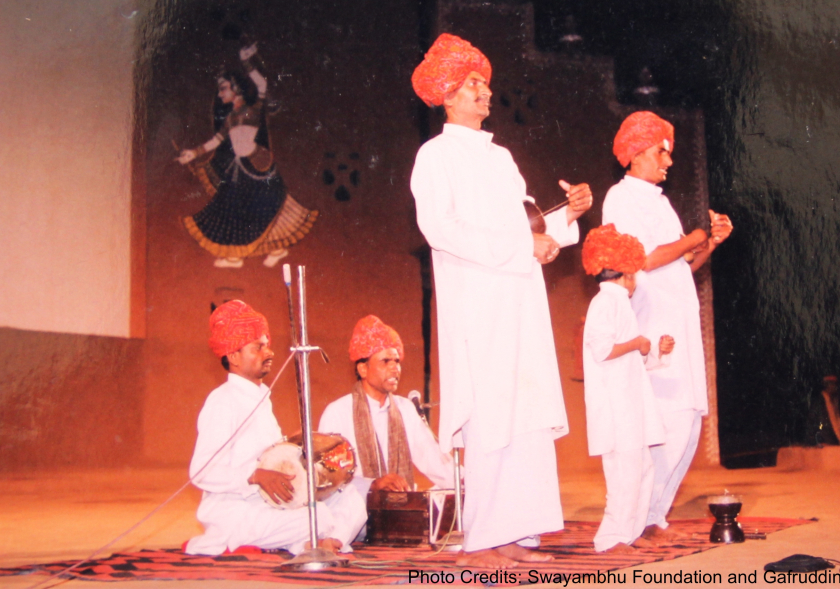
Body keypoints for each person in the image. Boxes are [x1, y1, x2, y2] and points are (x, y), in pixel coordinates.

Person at [409, 33, 593, 569]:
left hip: (520, 301)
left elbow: (530, 226)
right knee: (492, 416)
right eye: (472, 85)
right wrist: (522, 246)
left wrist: (570, 216)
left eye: (486, 84)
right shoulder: (434, 156)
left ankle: (518, 531)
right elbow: (439, 229)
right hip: (479, 306)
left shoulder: (503, 158)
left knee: (525, 414)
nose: (485, 93)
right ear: (447, 94)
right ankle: (484, 540)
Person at [601, 111, 733, 541]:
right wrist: (694, 236)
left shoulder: (659, 200)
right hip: (653, 325)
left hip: (680, 321)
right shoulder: (620, 198)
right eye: (662, 152)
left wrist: (708, 242)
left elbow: (681, 266)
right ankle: (638, 520)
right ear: (637, 152)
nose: (669, 161)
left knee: (687, 422)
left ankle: (655, 516)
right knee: (663, 422)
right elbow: (641, 260)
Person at [185, 300, 366, 556]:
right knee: (318, 517)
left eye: (267, 345)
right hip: (236, 512)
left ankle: (325, 543)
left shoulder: (259, 398)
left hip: (270, 505)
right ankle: (312, 541)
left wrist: (293, 448)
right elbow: (201, 472)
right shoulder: (223, 400)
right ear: (234, 356)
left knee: (351, 498)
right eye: (258, 347)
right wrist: (254, 475)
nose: (269, 353)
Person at [177, 43, 317, 268]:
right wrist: (192, 153)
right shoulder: (231, 118)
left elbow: (262, 84)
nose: (221, 93)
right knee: (239, 211)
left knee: (265, 208)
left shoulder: (252, 109)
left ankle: (271, 250)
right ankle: (240, 256)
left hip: (258, 165)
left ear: (236, 88)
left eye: (224, 88)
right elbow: (216, 141)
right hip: (240, 168)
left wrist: (246, 62)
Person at [581, 224, 670, 553]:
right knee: (624, 473)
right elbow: (603, 350)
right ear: (625, 274)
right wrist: (637, 342)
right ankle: (611, 538)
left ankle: (630, 533)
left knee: (641, 468)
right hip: (616, 408)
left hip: (629, 403)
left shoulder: (618, 304)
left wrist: (653, 350)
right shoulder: (606, 303)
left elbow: (630, 361)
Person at [318, 315, 455, 501]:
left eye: (397, 361)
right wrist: (372, 485)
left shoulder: (405, 409)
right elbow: (329, 480)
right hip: (354, 518)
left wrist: (464, 480)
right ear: (363, 369)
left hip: (400, 516)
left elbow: (434, 461)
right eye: (385, 361)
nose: (395, 368)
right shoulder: (338, 413)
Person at [806, 374, 840, 446]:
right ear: (828, 385)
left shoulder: (834, 401)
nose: (836, 388)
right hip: (825, 440)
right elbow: (816, 422)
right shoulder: (820, 402)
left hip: (833, 439)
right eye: (834, 385)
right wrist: (819, 439)